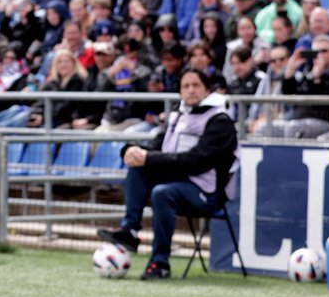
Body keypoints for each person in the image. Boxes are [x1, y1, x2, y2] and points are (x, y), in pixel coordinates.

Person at [98, 67, 239, 280]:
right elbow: (157, 144)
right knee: (138, 167)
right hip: (178, 181)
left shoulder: (220, 120)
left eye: (196, 85)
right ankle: (130, 231)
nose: (190, 90)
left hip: (208, 192)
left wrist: (149, 157)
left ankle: (160, 262)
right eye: (186, 86)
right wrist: (131, 149)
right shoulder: (178, 114)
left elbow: (195, 161)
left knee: (162, 193)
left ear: (207, 89)